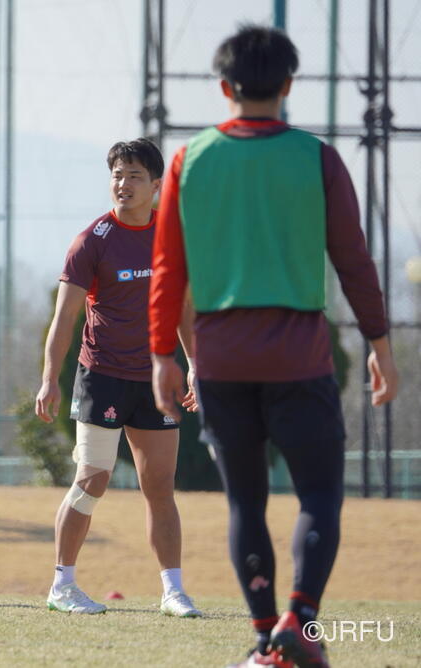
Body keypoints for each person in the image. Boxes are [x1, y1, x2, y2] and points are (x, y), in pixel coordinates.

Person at [149, 26, 399, 668]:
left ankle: (266, 640)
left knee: (246, 503)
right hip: (299, 356)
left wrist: (163, 356)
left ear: (224, 87)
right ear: (288, 85)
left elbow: (168, 269)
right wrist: (379, 342)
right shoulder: (316, 158)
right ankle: (301, 621)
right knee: (318, 496)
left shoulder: (189, 160)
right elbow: (353, 260)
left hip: (222, 357)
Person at [35, 138, 201, 619]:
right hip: (102, 377)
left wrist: (196, 366)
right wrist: (50, 379)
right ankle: (62, 585)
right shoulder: (92, 241)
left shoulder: (171, 237)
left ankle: (173, 591)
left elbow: (183, 310)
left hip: (154, 379)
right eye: (117, 175)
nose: (123, 184)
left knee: (160, 486)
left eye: (133, 176)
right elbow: (64, 318)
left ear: (156, 185)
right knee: (93, 478)